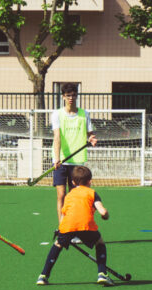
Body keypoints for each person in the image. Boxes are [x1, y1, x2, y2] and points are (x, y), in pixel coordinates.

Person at [36, 165, 114, 286]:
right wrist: (106, 216)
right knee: (100, 243)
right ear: (90, 181)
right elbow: (102, 211)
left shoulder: (69, 195)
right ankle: (102, 273)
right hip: (86, 226)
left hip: (68, 225)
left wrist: (60, 230)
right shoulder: (92, 193)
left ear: (72, 182)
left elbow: (64, 213)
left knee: (57, 245)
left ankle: (43, 276)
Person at [51, 82, 98, 223]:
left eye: (73, 95)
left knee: (74, 197)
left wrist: (91, 138)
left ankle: (73, 226)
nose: (71, 98)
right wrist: (57, 158)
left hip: (78, 162)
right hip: (61, 161)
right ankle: (62, 228)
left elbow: (90, 134)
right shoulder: (57, 114)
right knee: (61, 195)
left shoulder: (84, 114)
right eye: (68, 95)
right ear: (63, 97)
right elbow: (57, 137)